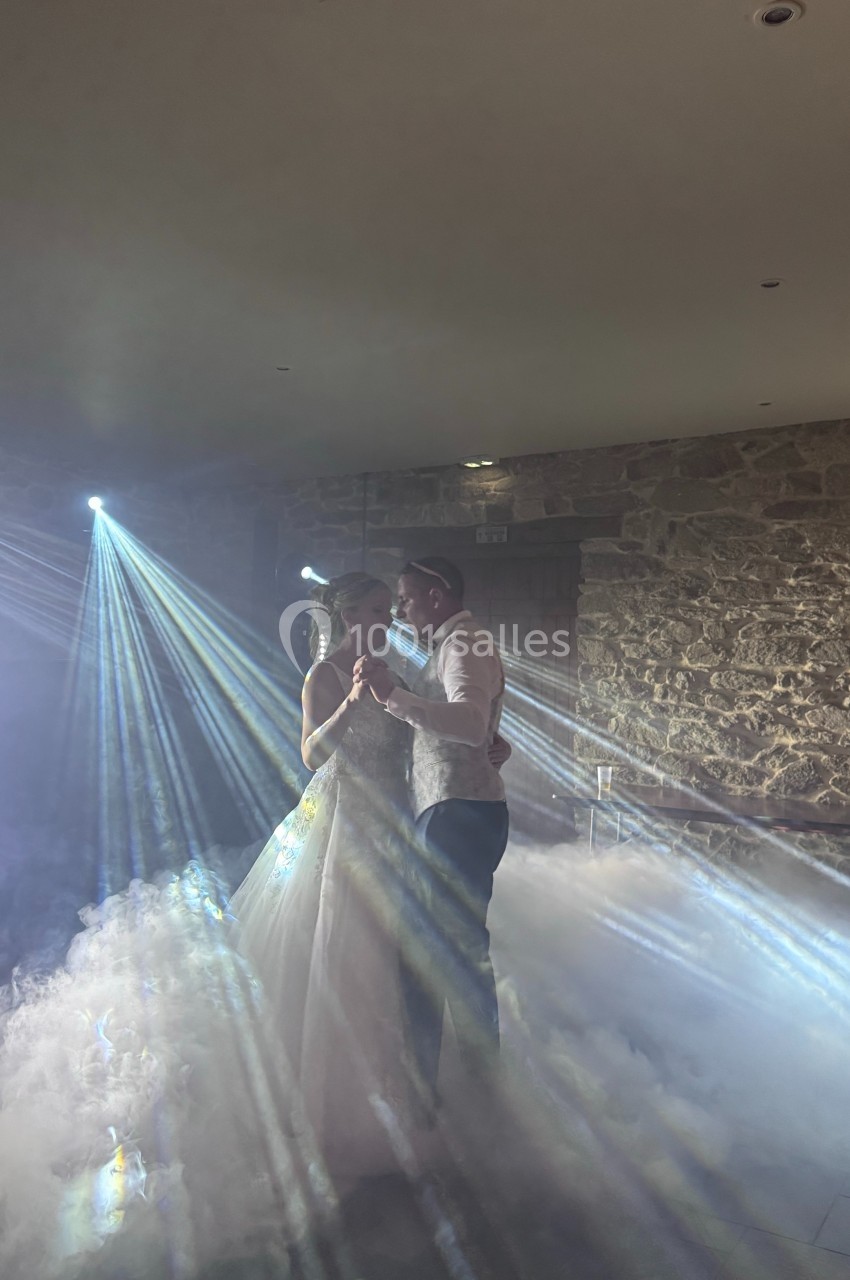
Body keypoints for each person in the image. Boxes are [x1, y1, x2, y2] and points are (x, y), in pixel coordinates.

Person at [354, 556, 510, 1118]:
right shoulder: (454, 643)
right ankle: (477, 1089)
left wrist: (391, 699)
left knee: (430, 953)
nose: (400, 610)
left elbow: (467, 722)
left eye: (406, 598)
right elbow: (475, 723)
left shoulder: (462, 642)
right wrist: (495, 741)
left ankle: (432, 1092)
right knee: (457, 952)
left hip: (456, 814)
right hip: (456, 808)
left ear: (437, 596)